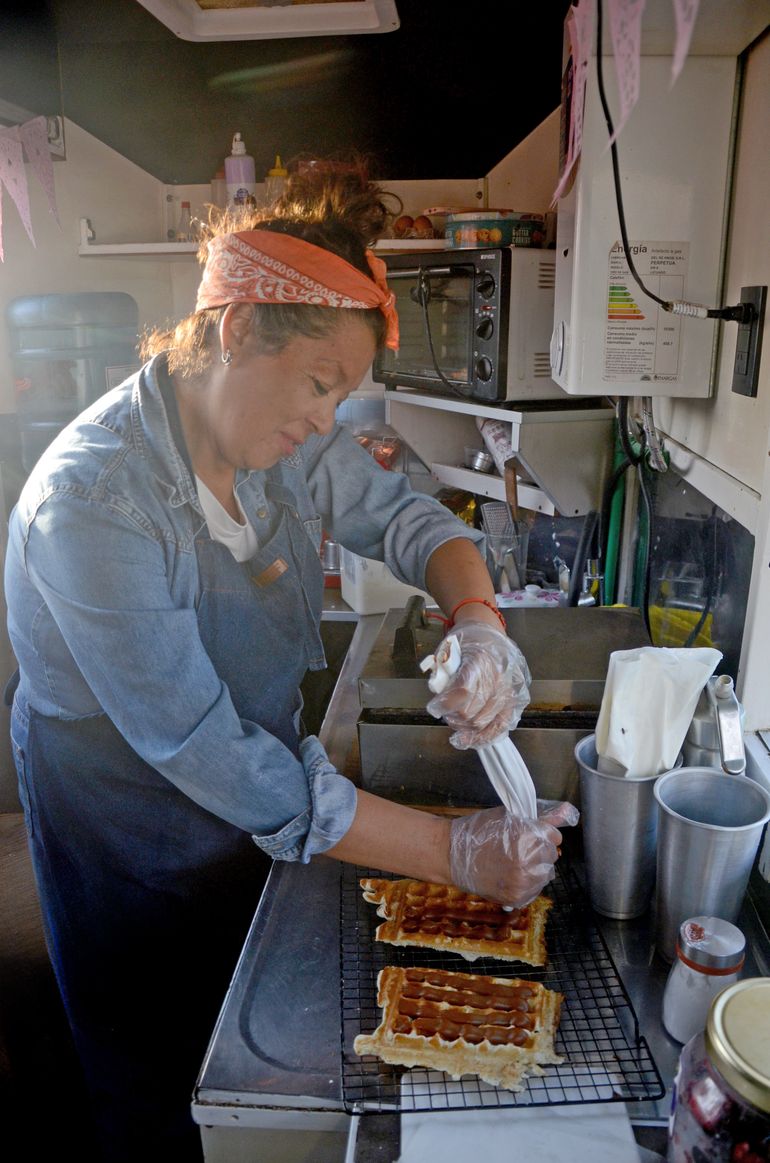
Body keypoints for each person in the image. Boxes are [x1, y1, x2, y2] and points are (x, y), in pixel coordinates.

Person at [4, 163, 576, 1161]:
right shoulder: (90, 508)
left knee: (246, 1036)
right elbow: (203, 745)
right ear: (234, 332)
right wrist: (453, 852)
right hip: (123, 817)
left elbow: (410, 518)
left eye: (341, 394)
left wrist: (478, 621)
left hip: (259, 793)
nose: (326, 420)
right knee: (150, 1067)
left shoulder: (287, 444)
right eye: (320, 384)